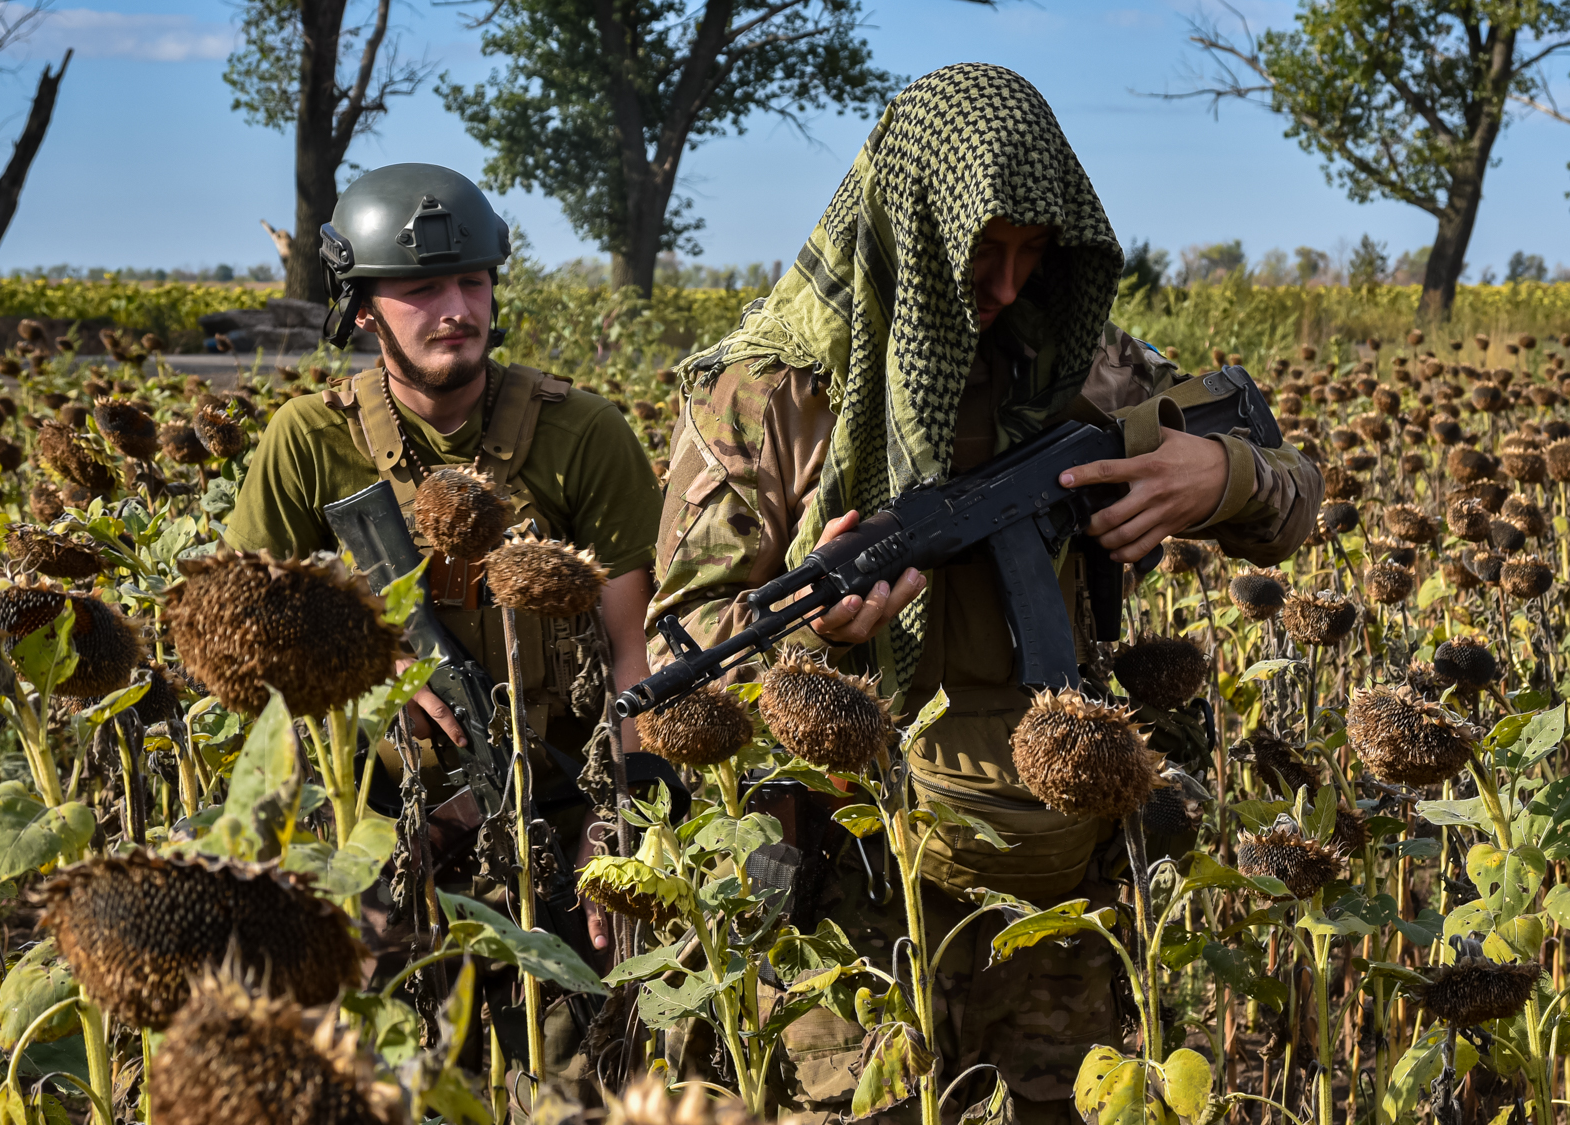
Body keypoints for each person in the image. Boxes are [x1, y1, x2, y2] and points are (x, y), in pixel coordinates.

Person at [647, 64, 1321, 1123]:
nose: (1005, 287)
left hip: (1057, 865)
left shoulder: (1092, 375)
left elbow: (1291, 504)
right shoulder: (769, 394)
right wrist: (813, 646)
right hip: (851, 878)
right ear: (910, 236)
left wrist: (1219, 478)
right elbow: (684, 649)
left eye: (1029, 255)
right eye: (977, 256)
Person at [222, 163, 665, 1086]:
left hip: (556, 819)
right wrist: (377, 661)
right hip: (379, 836)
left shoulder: (583, 435)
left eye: (472, 281)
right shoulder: (311, 442)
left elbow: (637, 654)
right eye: (421, 289)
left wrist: (618, 826)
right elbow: (229, 633)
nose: (456, 308)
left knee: (575, 1089)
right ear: (361, 308)